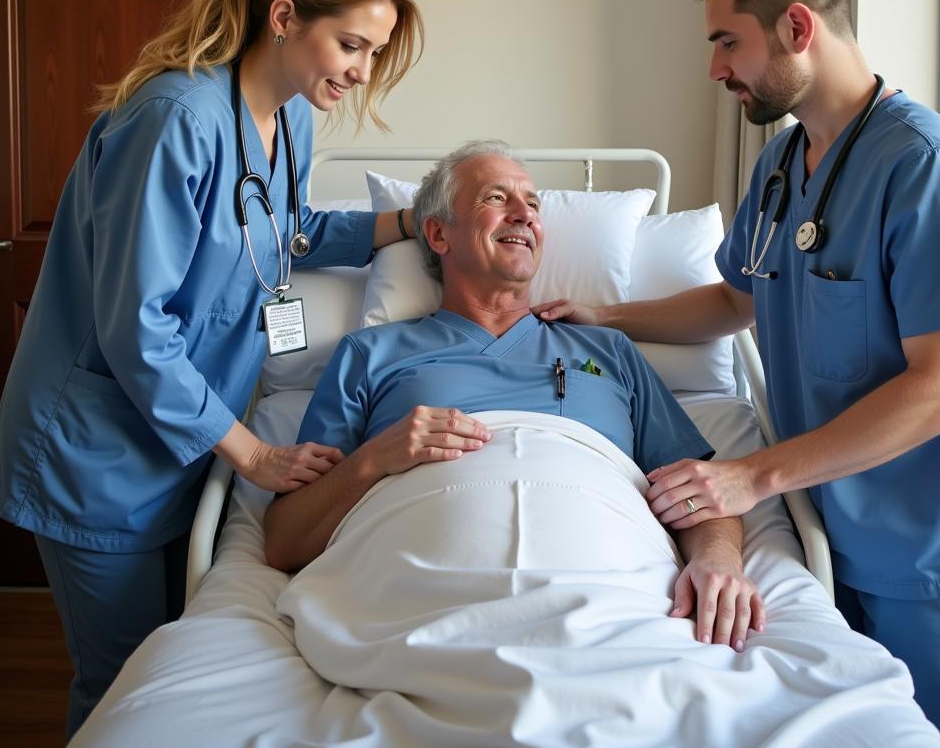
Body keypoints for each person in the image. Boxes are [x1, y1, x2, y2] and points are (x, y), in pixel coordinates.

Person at [533, 0, 940, 748]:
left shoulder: (926, 166)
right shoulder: (785, 162)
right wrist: (608, 315)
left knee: (926, 741)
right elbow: (734, 298)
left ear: (798, 27)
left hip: (915, 532)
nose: (715, 68)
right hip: (820, 511)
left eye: (728, 42)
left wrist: (749, 476)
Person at [0, 0, 424, 737]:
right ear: (286, 16)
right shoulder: (175, 120)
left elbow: (284, 233)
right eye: (352, 45)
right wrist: (255, 453)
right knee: (124, 691)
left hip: (183, 442)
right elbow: (137, 329)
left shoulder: (290, 118)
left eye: (373, 53)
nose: (362, 72)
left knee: (166, 668)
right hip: (99, 452)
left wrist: (407, 224)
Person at [264, 140, 766, 651]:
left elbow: (698, 488)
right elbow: (286, 541)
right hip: (421, 606)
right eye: (495, 198)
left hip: (610, 598)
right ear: (438, 233)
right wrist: (376, 459)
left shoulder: (609, 350)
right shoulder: (370, 353)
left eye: (533, 203)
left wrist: (715, 560)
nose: (524, 214)